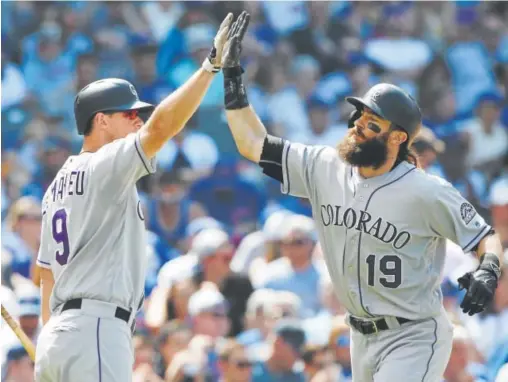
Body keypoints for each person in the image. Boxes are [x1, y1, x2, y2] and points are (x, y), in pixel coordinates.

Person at [219, 11, 504, 381]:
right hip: (359, 333)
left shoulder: (425, 190)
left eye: (372, 123)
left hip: (413, 333)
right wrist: (231, 78)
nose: (357, 126)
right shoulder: (324, 166)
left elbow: (485, 237)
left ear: (398, 138)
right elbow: (251, 142)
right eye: (358, 117)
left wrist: (488, 268)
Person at [33, 12, 244, 382]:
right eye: (129, 113)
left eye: (139, 114)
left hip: (59, 338)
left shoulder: (57, 185)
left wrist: (49, 339)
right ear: (100, 120)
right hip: (96, 327)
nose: (138, 120)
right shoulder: (106, 164)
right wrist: (209, 68)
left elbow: (46, 276)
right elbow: (163, 125)